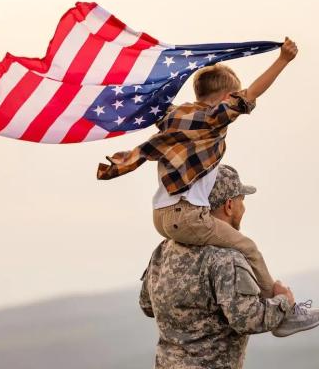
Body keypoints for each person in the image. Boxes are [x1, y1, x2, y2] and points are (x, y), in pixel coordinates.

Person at [98, 37, 297, 298]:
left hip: (160, 215)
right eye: (233, 98)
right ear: (227, 98)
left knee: (205, 244)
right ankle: (279, 304)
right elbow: (251, 94)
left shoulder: (174, 115)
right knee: (248, 247)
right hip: (186, 214)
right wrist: (283, 60)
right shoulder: (212, 118)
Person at [139, 165, 319, 369]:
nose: (244, 208)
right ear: (229, 205)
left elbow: (147, 305)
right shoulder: (226, 259)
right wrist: (283, 302)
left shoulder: (163, 250)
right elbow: (247, 319)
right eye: (241, 201)